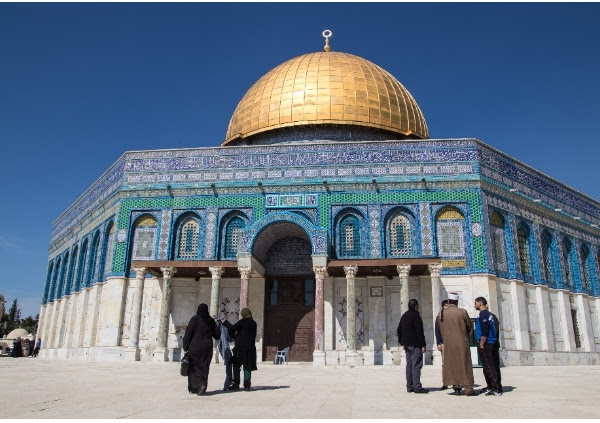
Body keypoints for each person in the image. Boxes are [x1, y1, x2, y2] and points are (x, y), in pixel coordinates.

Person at [438, 293, 476, 396]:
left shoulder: (441, 314)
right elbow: (470, 326)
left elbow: (440, 328)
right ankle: (468, 388)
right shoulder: (462, 312)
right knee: (465, 364)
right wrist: (463, 334)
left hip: (449, 343)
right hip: (462, 342)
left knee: (452, 364)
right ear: (457, 302)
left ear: (448, 302)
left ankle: (456, 386)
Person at [182, 303, 221, 395]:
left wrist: (185, 346)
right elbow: (217, 335)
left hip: (195, 346)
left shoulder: (195, 319)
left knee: (194, 367)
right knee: (204, 366)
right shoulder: (211, 320)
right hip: (207, 347)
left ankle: (195, 386)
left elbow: (188, 333)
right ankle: (202, 384)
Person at [397, 299, 429, 394]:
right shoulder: (416, 316)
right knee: (416, 365)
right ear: (416, 306)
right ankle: (417, 387)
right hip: (415, 345)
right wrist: (423, 344)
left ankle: (409, 386)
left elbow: (399, 330)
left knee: (409, 365)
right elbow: (419, 332)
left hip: (407, 345)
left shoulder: (404, 316)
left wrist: (402, 341)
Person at [222, 308, 257, 391]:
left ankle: (236, 383)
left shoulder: (243, 322)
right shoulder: (254, 323)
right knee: (247, 366)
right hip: (250, 348)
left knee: (236, 365)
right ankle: (247, 385)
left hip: (240, 348)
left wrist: (225, 322)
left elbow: (232, 328)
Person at [475, 297, 503, 396]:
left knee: (489, 366)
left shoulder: (483, 314)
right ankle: (491, 386)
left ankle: (496, 388)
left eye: (475, 303)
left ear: (480, 304)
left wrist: (482, 342)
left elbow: (485, 328)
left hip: (486, 343)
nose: (475, 305)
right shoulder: (491, 315)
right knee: (490, 366)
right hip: (491, 342)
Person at [435, 299, 450, 390]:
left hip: (453, 343)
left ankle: (456, 382)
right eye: (445, 306)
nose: (447, 307)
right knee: (445, 364)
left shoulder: (453, 315)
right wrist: (438, 342)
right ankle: (445, 382)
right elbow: (437, 330)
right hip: (444, 343)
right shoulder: (440, 316)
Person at [216, 318, 234, 391]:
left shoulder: (218, 328)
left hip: (223, 348)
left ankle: (229, 382)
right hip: (225, 348)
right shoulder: (222, 328)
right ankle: (228, 382)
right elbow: (230, 338)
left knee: (228, 364)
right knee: (229, 364)